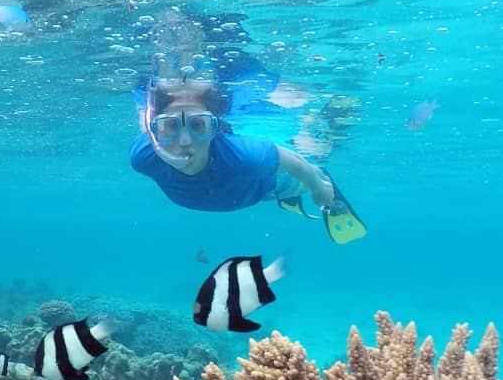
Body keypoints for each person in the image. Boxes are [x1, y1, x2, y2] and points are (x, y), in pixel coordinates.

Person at [129, 64, 367, 245]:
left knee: (314, 154)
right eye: (170, 126)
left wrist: (318, 186)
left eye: (198, 125)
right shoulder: (143, 157)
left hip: (267, 186)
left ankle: (317, 135)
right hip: (246, 192)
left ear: (214, 128)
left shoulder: (244, 157)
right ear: (155, 131)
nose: (184, 140)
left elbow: (296, 163)